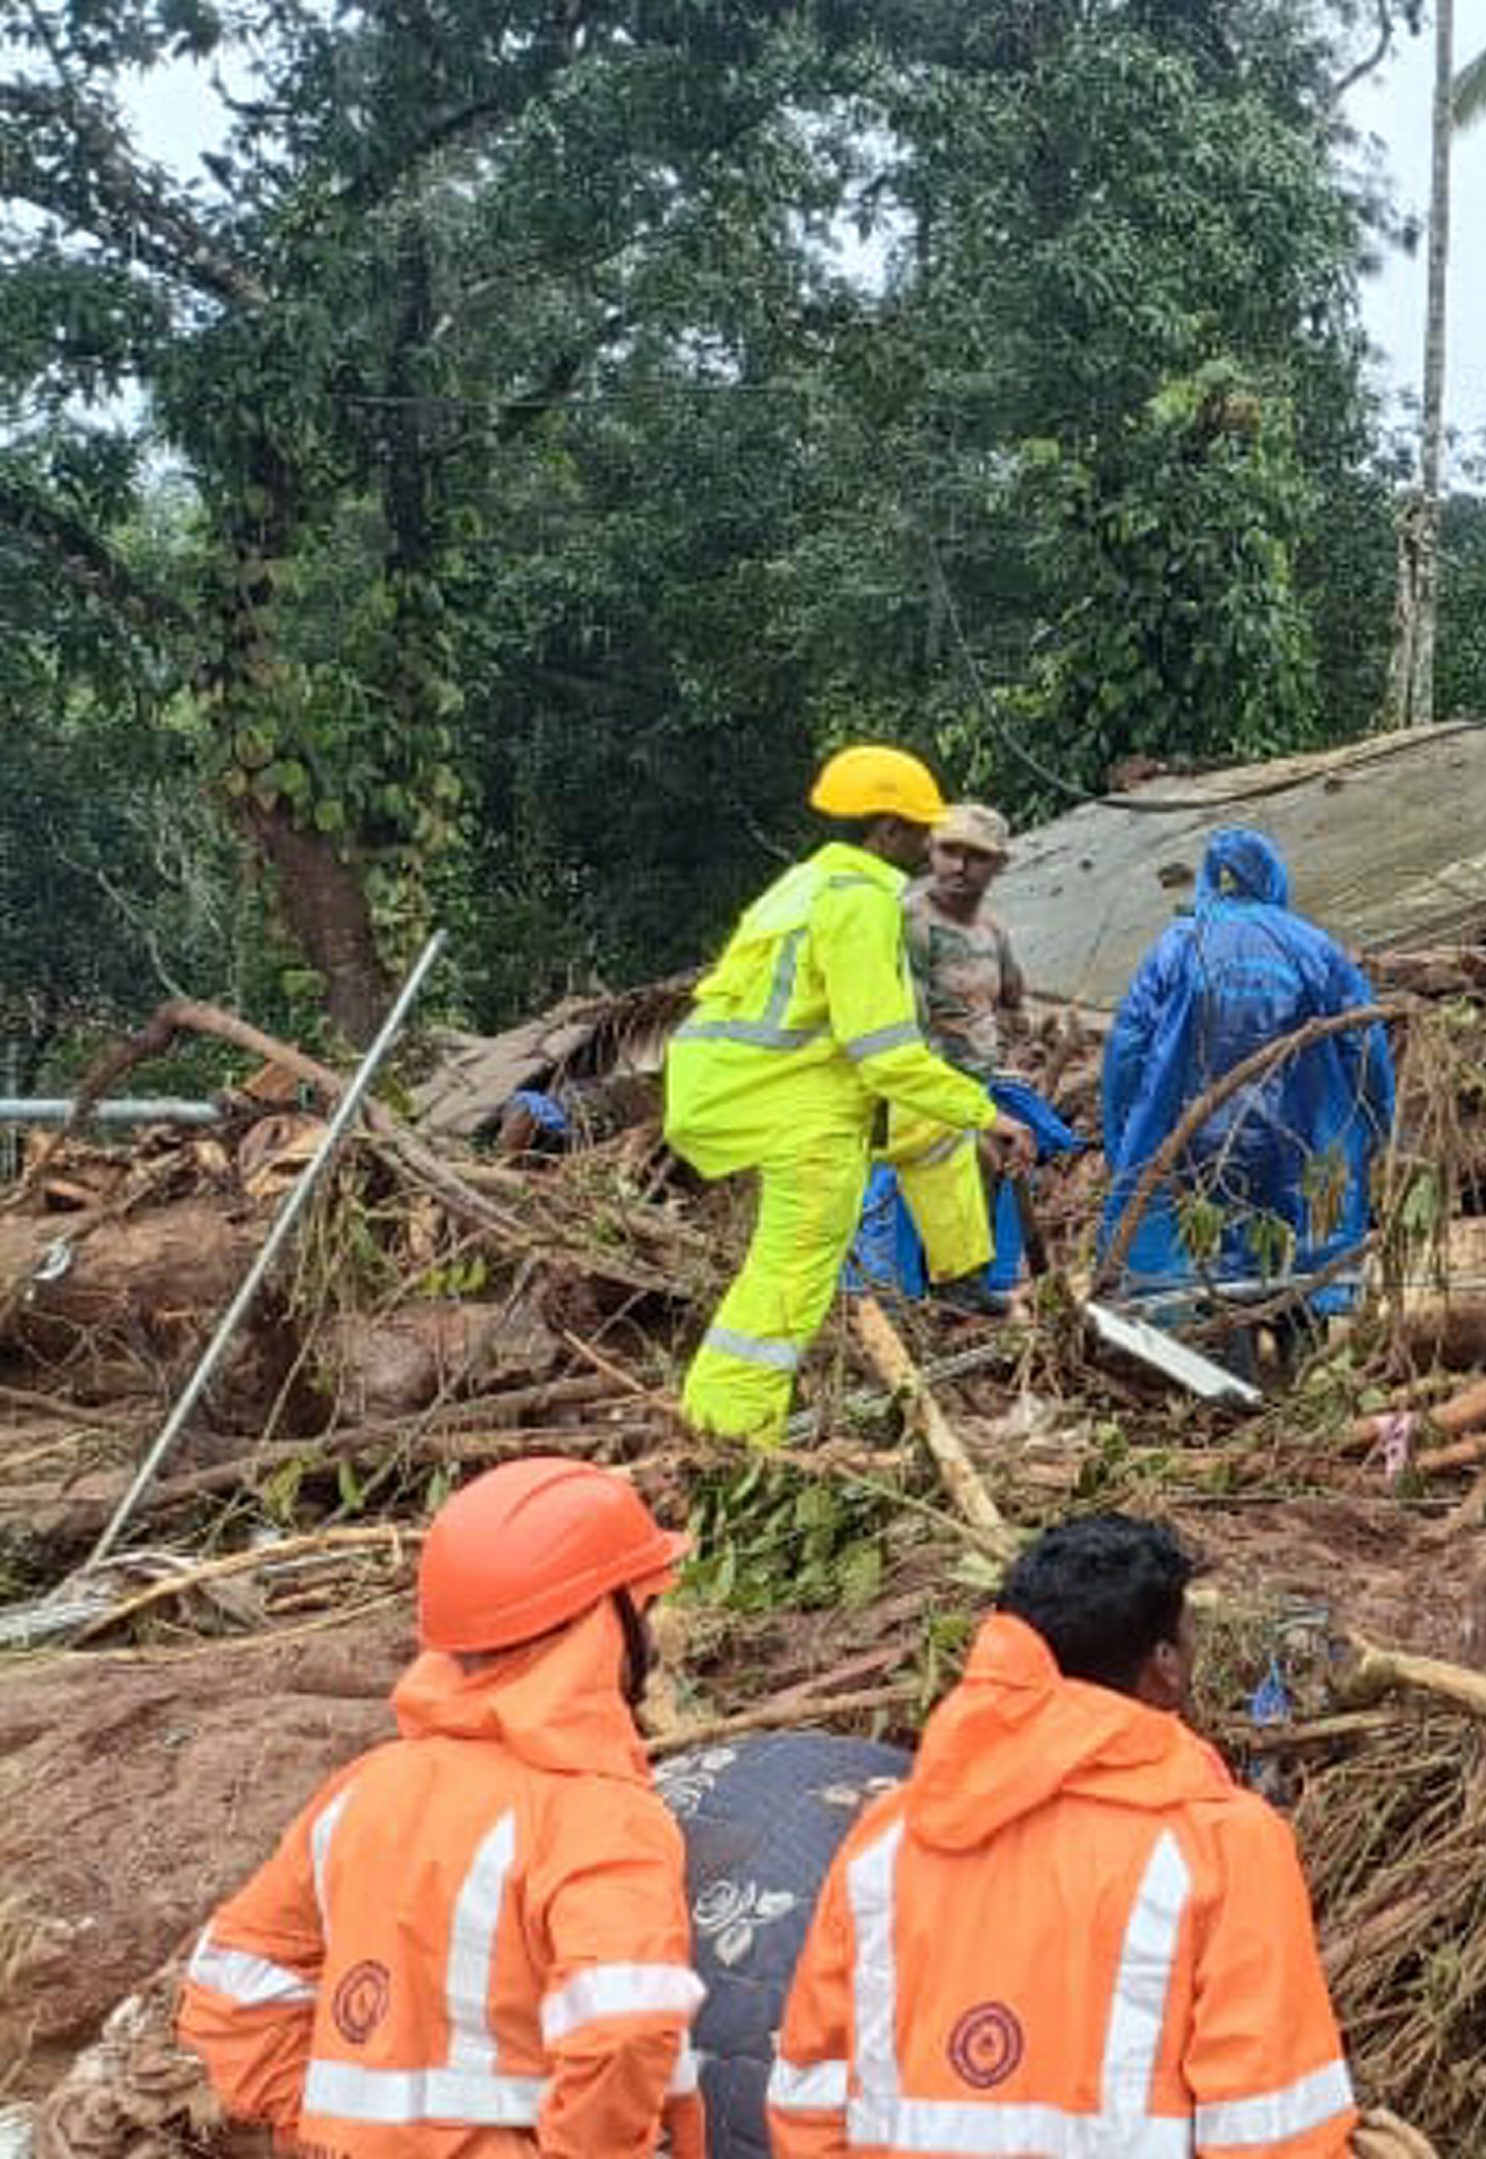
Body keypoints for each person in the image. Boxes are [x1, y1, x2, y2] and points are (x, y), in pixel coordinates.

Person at [765, 1516, 1359, 2159]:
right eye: (1187, 1636)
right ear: (1164, 1667)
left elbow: (809, 2107)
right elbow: (1277, 2140)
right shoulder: (1224, 1847)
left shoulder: (887, 1841)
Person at [178, 1458, 708, 2158]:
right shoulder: (600, 1818)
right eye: (646, 1602)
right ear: (603, 1624)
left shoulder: (363, 1791)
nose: (661, 1628)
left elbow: (230, 1984)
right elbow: (628, 2027)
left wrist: (311, 2119)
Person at [669, 745, 1022, 1443]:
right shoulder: (861, 905)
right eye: (920, 829)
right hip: (802, 1110)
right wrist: (989, 1112)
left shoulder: (807, 884)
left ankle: (961, 1276)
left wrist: (958, 1112)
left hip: (754, 1089)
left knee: (933, 1132)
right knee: (791, 1276)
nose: (931, 846)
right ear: (885, 828)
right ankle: (731, 1428)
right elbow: (886, 1056)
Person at [1099, 828, 1394, 1311]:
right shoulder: (1314, 948)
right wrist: (1381, 1123)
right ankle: (1302, 1357)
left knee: (1205, 1265)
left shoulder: (1176, 947)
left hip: (1196, 1146)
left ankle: (1220, 1353)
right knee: (1303, 1264)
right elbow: (1365, 1045)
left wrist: (1125, 1144)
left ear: (1209, 882)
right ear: (1273, 878)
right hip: (1299, 1142)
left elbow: (1128, 1050)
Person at [854, 805, 1082, 1309]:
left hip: (976, 1084)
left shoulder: (991, 934)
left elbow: (1010, 1007)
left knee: (1020, 1154)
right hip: (917, 1088)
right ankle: (922, 1292)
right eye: (948, 851)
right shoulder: (910, 925)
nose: (959, 867)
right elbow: (899, 1023)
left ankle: (971, 1284)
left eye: (975, 857)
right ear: (930, 852)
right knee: (970, 1155)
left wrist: (1024, 1043)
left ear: (998, 865)